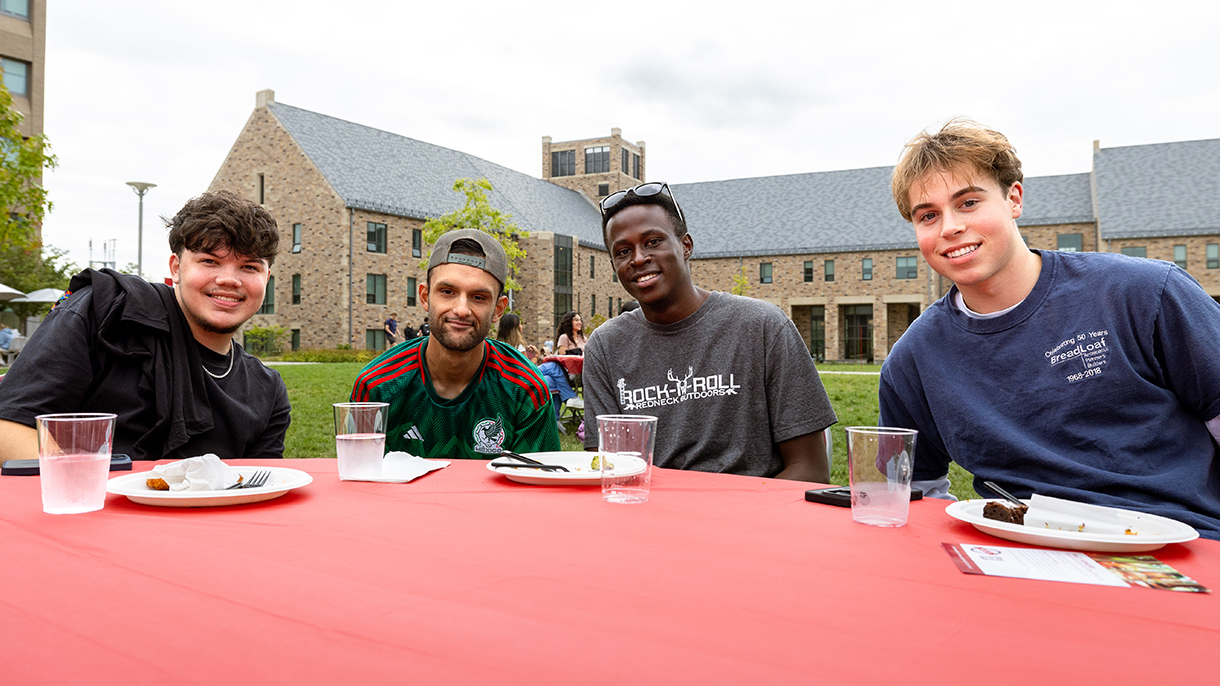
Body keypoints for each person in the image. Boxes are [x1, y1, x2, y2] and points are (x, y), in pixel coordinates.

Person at [880, 120, 1220, 538]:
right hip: (1019, 549)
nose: (949, 227)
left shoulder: (1144, 293)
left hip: (1178, 540)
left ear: (1014, 198)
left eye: (968, 203)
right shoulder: (914, 359)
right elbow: (911, 492)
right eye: (928, 215)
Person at [0, 190, 291, 462]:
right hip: (90, 510)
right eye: (209, 261)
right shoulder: (107, 313)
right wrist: (86, 484)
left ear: (266, 279)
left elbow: (261, 488)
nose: (230, 279)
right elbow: (8, 428)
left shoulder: (267, 392)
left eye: (249, 267)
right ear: (176, 268)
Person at [582, 182, 836, 482]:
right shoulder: (606, 347)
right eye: (623, 251)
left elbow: (811, 469)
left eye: (653, 242)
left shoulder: (762, 327)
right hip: (650, 518)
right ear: (614, 265)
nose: (638, 258)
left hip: (752, 519)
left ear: (686, 246)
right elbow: (607, 470)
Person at [350, 229, 559, 459]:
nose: (461, 309)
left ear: (498, 309)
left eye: (479, 297)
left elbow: (540, 489)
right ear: (425, 297)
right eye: (447, 292)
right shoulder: (377, 387)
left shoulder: (526, 389)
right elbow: (359, 485)